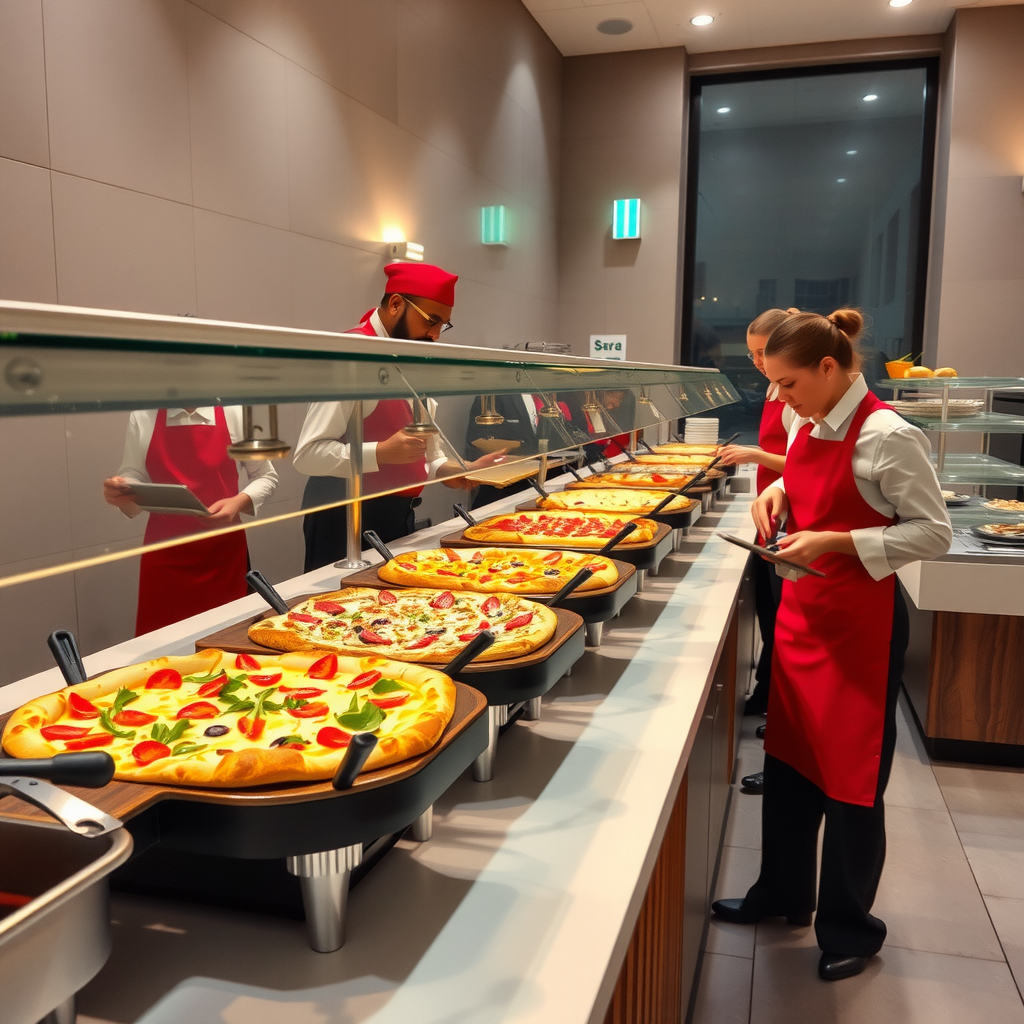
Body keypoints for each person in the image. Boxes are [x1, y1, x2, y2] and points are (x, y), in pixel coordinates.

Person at [711, 308, 951, 982]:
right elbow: (803, 478)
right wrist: (778, 494)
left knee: (850, 779)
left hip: (859, 630)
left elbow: (933, 532)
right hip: (803, 615)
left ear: (829, 367)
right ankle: (782, 892)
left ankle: (850, 928)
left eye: (787, 383)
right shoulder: (807, 421)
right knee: (790, 762)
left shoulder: (887, 434)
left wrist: (837, 542)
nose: (778, 397)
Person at [294, 262, 506, 571]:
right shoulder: (352, 354)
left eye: (443, 325)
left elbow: (428, 457)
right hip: (343, 520)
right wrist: (380, 452)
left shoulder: (411, 355)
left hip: (398, 516)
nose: (435, 335)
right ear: (395, 304)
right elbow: (307, 455)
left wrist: (461, 470)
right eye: (431, 321)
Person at [103, 406, 279, 635]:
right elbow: (133, 472)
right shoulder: (143, 416)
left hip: (223, 555)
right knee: (163, 644)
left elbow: (266, 475)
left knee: (227, 638)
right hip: (165, 558)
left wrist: (238, 502)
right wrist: (122, 488)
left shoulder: (236, 412)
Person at [717, 308, 800, 795]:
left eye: (762, 352)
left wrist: (752, 455)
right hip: (773, 514)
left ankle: (783, 723)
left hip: (792, 524)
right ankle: (768, 698)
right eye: (752, 354)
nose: (757, 363)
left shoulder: (794, 396)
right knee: (773, 619)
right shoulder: (775, 390)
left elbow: (804, 461)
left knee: (784, 625)